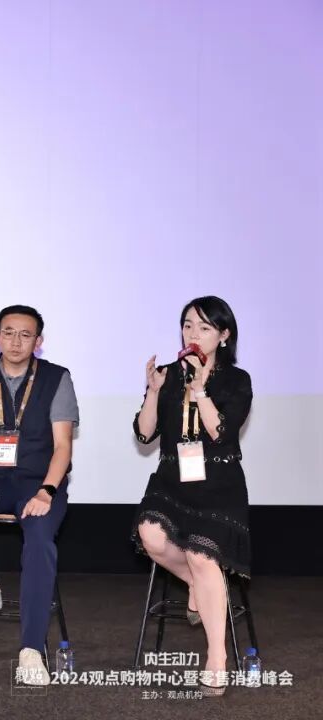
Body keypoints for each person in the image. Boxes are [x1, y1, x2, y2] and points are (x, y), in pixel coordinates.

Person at [0, 304, 78, 686]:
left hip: (39, 481)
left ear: (38, 341)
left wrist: (47, 490)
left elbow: (63, 447)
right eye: (8, 332)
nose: (16, 341)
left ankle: (31, 649)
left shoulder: (56, 378)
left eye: (25, 334)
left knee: (39, 540)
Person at [132, 296, 252, 697]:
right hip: (172, 479)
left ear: (224, 335)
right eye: (187, 325)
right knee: (150, 535)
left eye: (204, 327)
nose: (193, 334)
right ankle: (198, 587)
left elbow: (221, 433)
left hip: (218, 483)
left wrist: (201, 391)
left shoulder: (236, 380)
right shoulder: (168, 373)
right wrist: (153, 392)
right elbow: (144, 434)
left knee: (202, 555)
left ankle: (217, 657)